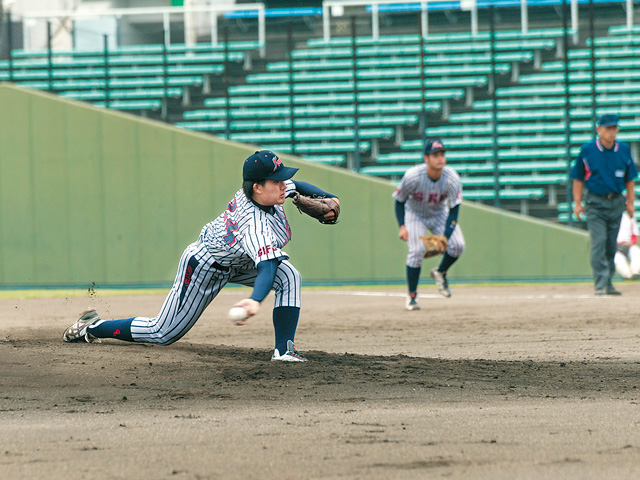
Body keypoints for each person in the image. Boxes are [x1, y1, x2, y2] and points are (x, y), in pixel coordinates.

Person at [63, 150, 339, 362]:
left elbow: (297, 184)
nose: (283, 184)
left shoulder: (266, 192)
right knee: (163, 332)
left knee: (290, 275)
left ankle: (284, 351)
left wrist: (326, 196)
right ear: (257, 186)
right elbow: (266, 267)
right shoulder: (253, 223)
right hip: (206, 264)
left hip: (239, 260)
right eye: (276, 181)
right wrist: (255, 300)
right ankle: (93, 326)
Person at [393, 139, 465, 310]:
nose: (440, 158)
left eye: (442, 154)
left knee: (457, 245)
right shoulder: (413, 176)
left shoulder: (452, 178)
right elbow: (399, 201)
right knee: (416, 250)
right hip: (415, 214)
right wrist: (402, 226)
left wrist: (445, 238)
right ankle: (412, 296)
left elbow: (454, 209)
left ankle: (440, 272)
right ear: (426, 158)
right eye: (435, 155)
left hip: (439, 214)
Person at [571, 113, 637, 296]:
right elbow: (577, 178)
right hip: (595, 202)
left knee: (610, 245)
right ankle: (600, 283)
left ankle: (608, 283)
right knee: (599, 242)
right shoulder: (588, 150)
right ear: (599, 129)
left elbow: (630, 179)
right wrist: (578, 203)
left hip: (616, 201)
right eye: (607, 128)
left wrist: (630, 203)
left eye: (614, 128)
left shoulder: (623, 149)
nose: (611, 132)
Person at [614, 211, 640, 280]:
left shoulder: (630, 218)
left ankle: (635, 273)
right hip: (616, 247)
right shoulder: (610, 218)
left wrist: (630, 242)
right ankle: (628, 275)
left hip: (629, 245)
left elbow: (635, 235)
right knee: (617, 258)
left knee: (636, 251)